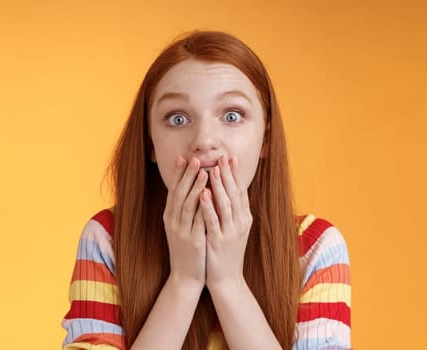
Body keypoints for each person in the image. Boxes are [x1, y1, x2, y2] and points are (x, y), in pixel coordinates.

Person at [61, 30, 351, 350]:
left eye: (232, 115)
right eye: (178, 118)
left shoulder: (316, 247)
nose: (204, 140)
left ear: (265, 139)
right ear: (150, 143)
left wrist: (228, 282)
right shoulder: (106, 239)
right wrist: (183, 282)